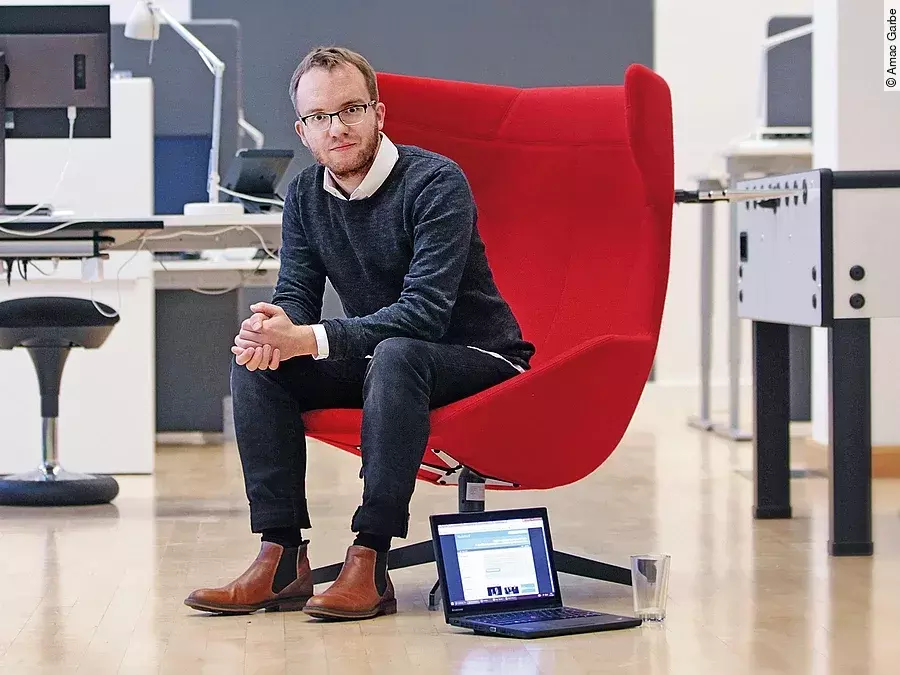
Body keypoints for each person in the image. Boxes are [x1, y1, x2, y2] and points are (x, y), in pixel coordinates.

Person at [184, 46, 534, 621]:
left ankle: (370, 556)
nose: (337, 127)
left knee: (398, 353)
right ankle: (280, 555)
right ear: (303, 131)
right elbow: (297, 294)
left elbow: (424, 315)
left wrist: (309, 338)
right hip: (388, 359)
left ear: (378, 113)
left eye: (351, 109)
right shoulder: (305, 195)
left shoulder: (436, 182)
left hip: (479, 356)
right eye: (319, 117)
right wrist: (274, 327)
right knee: (259, 363)